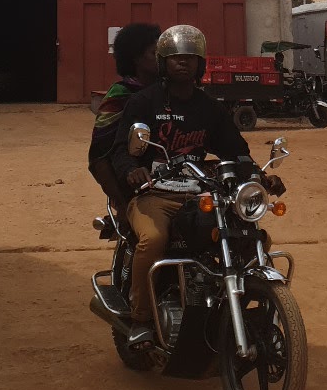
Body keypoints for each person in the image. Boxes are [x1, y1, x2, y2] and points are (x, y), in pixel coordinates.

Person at [109, 23, 286, 351]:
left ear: (200, 63)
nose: (183, 63)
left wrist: (258, 176)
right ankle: (141, 319)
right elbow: (121, 149)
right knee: (154, 239)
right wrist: (131, 170)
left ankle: (246, 308)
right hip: (154, 194)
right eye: (175, 57)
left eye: (190, 57)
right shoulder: (144, 103)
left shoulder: (209, 108)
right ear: (162, 63)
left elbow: (236, 150)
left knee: (248, 237)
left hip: (200, 193)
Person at [87, 22, 161, 211]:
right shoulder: (121, 95)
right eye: (154, 53)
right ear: (136, 58)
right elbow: (99, 156)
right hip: (133, 184)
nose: (162, 58)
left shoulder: (170, 92)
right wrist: (121, 203)